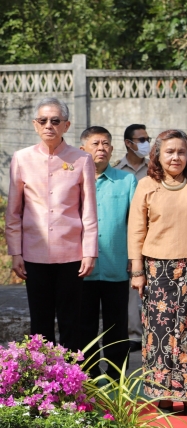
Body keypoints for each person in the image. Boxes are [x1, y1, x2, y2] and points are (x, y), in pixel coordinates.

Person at [128, 130, 187, 417]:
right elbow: (136, 230)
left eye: (181, 152)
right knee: (159, 334)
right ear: (158, 154)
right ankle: (165, 397)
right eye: (170, 151)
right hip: (157, 270)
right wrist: (137, 271)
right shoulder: (146, 185)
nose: (176, 157)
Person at [5, 97, 97, 351]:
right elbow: (13, 211)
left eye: (55, 121)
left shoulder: (82, 160)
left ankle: (73, 382)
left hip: (71, 254)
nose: (49, 126)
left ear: (66, 126)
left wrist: (89, 251)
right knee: (40, 322)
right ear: (35, 125)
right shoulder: (22, 159)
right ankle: (44, 382)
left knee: (71, 321)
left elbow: (88, 210)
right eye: (43, 121)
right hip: (34, 253)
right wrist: (15, 252)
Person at [78, 127, 137, 379]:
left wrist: (135, 261)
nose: (101, 148)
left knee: (117, 327)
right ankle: (86, 376)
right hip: (81, 269)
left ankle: (116, 377)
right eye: (95, 143)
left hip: (116, 266)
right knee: (84, 327)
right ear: (83, 150)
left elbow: (135, 225)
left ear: (112, 150)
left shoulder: (127, 181)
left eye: (105, 144)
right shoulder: (74, 181)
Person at [115, 124, 151, 353]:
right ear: (129, 143)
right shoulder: (118, 171)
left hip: (156, 235)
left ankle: (153, 333)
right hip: (129, 237)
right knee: (132, 289)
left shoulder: (156, 168)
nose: (146, 143)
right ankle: (133, 335)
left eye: (148, 138)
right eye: (141, 139)